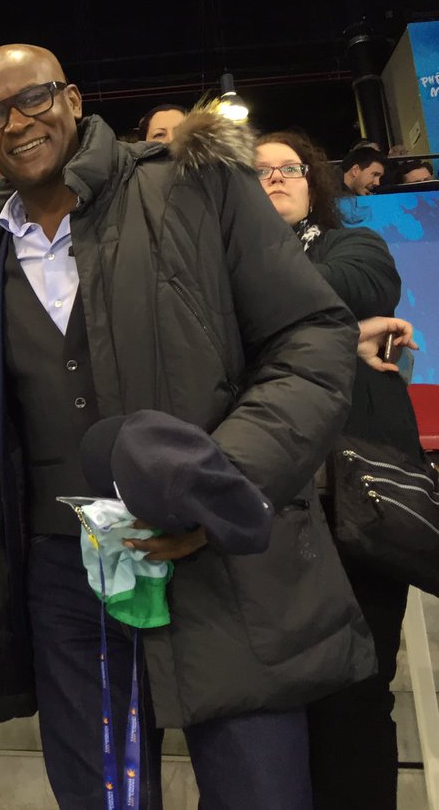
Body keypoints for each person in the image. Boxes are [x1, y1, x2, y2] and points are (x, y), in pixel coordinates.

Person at [0, 44, 371, 810]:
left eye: (34, 97)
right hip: (66, 580)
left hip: (227, 570)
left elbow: (314, 338)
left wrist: (219, 486)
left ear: (74, 99)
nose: (18, 122)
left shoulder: (194, 185)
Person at [256, 131, 427, 810]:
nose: (273, 179)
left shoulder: (349, 244)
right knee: (280, 704)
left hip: (362, 511)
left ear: (314, 183)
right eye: (258, 172)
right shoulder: (215, 266)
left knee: (359, 693)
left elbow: (359, 288)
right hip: (272, 514)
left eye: (288, 169)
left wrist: (250, 274)